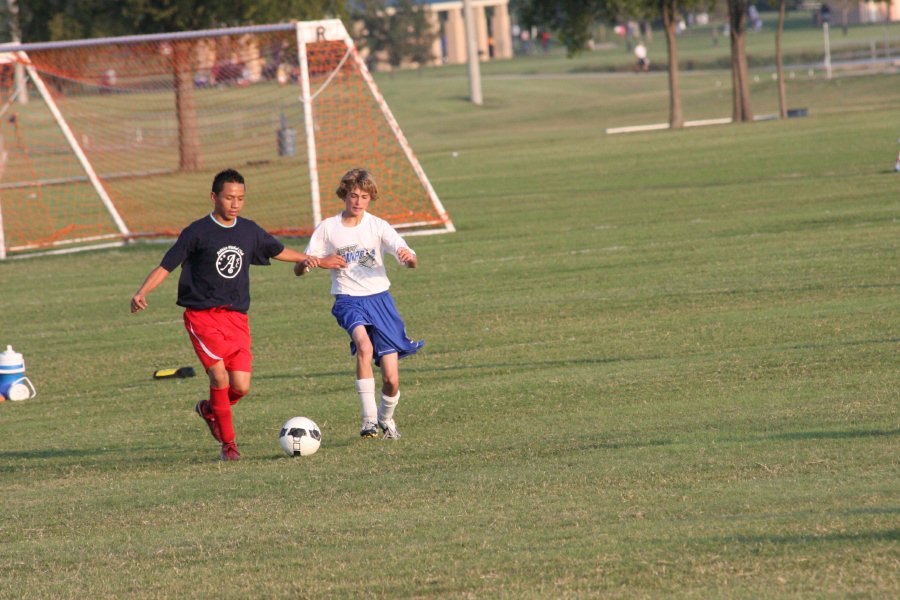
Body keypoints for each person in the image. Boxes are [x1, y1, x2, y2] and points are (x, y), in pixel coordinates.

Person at [130, 168, 345, 461]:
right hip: (202, 317)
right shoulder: (196, 232)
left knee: (241, 387)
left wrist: (317, 260)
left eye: (240, 198)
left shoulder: (248, 230)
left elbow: (278, 250)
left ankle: (210, 410)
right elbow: (166, 265)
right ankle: (229, 445)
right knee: (219, 377)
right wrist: (142, 292)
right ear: (214, 197)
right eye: (229, 197)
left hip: (236, 318)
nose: (235, 204)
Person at [294, 168, 423, 440]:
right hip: (348, 300)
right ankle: (368, 421)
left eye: (364, 197)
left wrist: (408, 257)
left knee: (391, 379)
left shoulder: (378, 226)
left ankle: (385, 419)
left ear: (370, 198)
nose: (358, 201)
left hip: (381, 301)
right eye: (354, 195)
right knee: (364, 347)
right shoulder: (328, 228)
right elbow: (301, 266)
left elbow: (411, 259)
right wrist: (315, 263)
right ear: (344, 194)